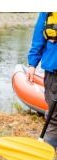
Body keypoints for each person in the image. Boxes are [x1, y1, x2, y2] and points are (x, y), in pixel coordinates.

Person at [27, 12, 57, 150]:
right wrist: (32, 64)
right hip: (54, 70)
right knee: (53, 115)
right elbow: (38, 37)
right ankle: (48, 154)